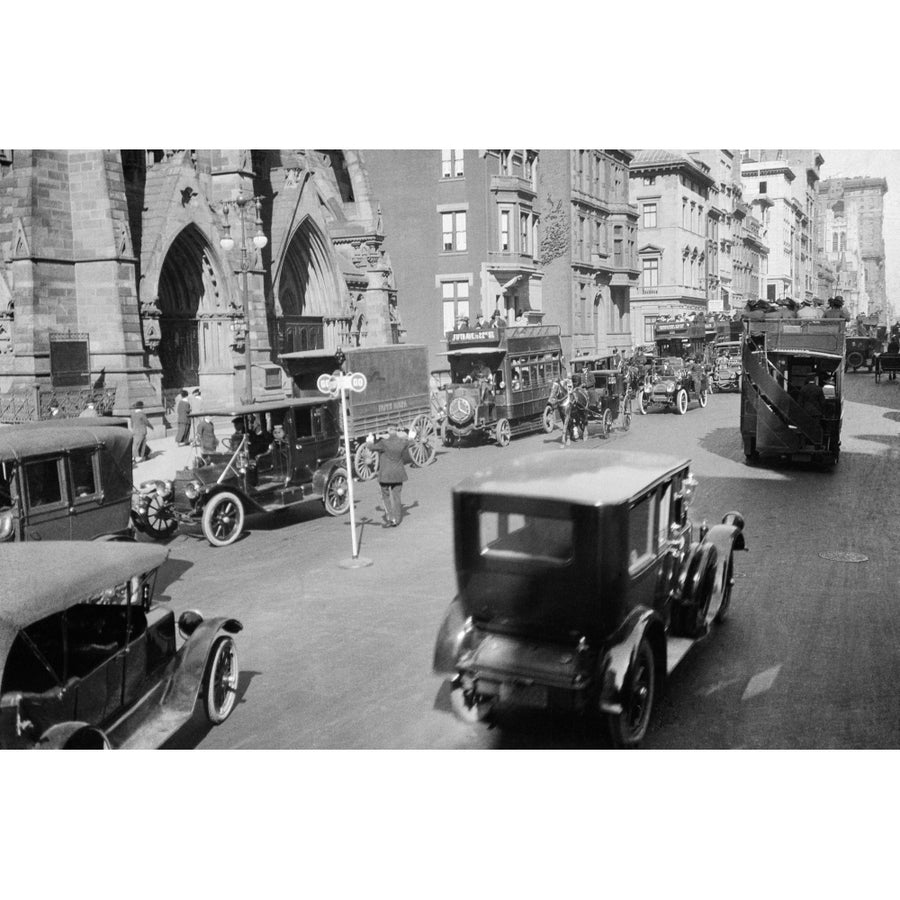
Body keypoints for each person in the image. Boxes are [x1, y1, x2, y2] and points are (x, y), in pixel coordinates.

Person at [367, 423, 414, 527]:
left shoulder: (384, 443)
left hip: (385, 475)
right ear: (396, 430)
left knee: (385, 497)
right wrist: (411, 435)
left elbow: (370, 447)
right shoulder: (402, 442)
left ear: (388, 430)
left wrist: (370, 439)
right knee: (397, 497)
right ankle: (397, 520)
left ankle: (391, 517)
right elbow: (411, 442)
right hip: (398, 474)